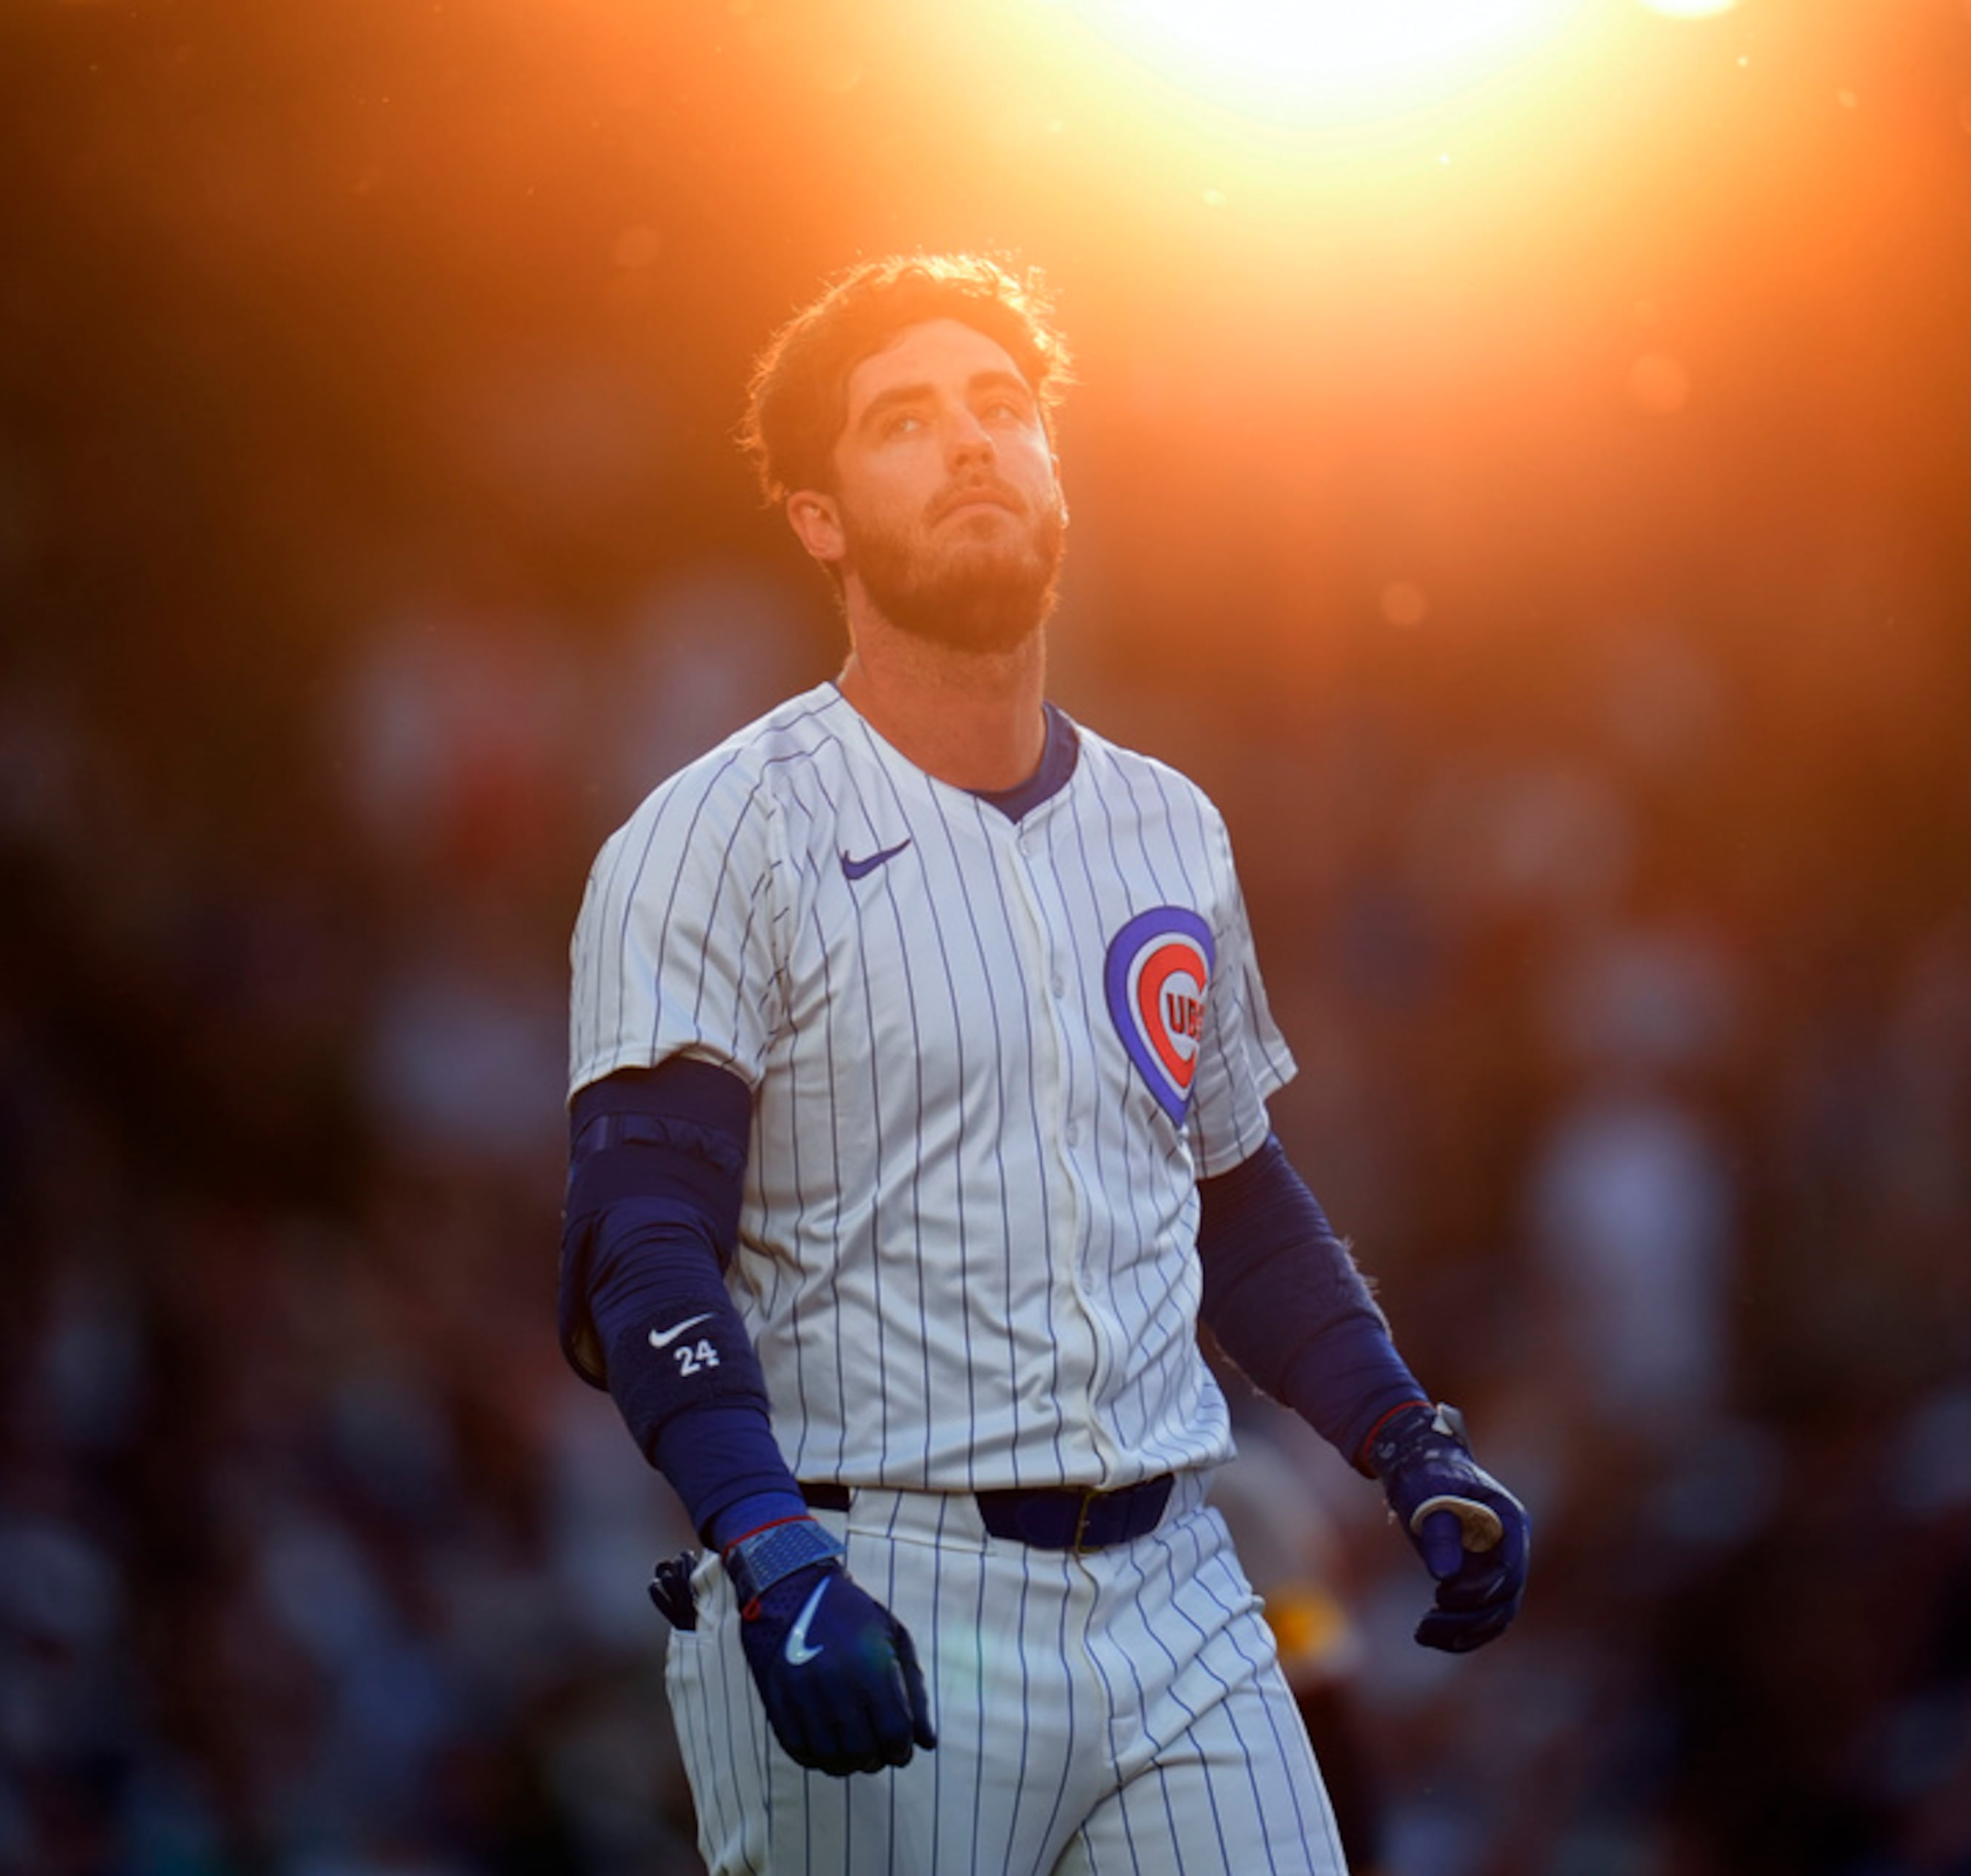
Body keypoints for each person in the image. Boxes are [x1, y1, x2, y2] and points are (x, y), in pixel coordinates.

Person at [560, 253, 1531, 1875]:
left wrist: (1400, 1431)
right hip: (871, 1572)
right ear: (817, 517)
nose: (968, 445)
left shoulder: (1169, 824)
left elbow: (1231, 1195)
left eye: (1004, 410)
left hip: (1181, 1585)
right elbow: (636, 1240)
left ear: (1055, 472)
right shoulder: (714, 832)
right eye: (904, 422)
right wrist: (768, 1546)